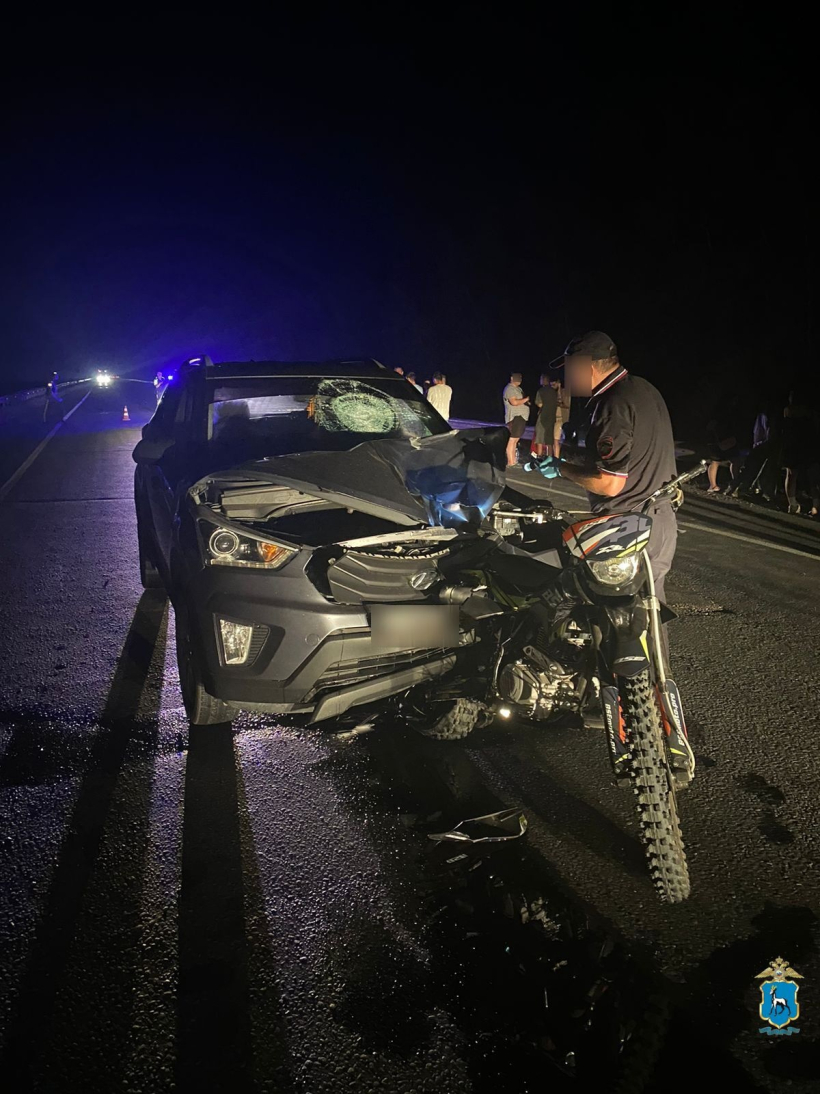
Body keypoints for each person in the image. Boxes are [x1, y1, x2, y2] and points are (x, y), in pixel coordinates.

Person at [528, 331, 678, 609]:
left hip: (629, 524)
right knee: (650, 612)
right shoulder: (643, 389)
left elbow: (610, 483)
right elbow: (621, 457)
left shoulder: (613, 403)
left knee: (620, 620)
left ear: (587, 365)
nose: (568, 379)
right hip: (660, 518)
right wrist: (565, 455)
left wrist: (561, 469)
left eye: (570, 369)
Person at [502, 372, 530, 466]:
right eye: (517, 377)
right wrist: (526, 399)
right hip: (515, 417)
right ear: (511, 378)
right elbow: (513, 402)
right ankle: (510, 461)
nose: (520, 379)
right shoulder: (510, 389)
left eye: (521, 377)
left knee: (515, 440)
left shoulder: (518, 389)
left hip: (521, 417)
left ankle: (513, 460)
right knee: (512, 440)